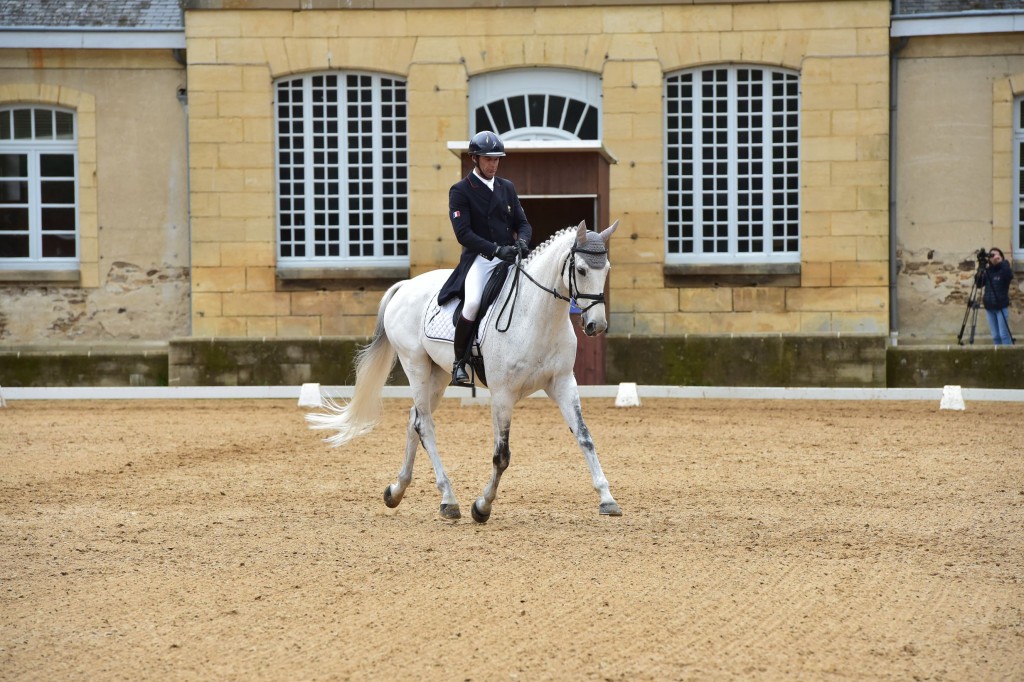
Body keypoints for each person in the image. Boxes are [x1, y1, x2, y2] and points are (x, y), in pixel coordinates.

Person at [437, 130, 532, 386]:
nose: (493, 164)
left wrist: (522, 241)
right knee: (472, 303)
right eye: (488, 159)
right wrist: (494, 250)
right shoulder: (460, 191)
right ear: (475, 159)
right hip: (480, 259)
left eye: (497, 159)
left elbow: (523, 223)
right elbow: (463, 234)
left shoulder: (506, 187)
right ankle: (460, 362)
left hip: (509, 257)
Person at [976, 247, 1015, 345]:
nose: (994, 257)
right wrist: (980, 269)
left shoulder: (1004, 268)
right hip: (989, 308)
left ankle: (1008, 356)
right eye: (992, 255)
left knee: (1003, 335)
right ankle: (997, 357)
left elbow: (1009, 276)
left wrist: (1001, 262)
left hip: (1001, 307)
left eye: (997, 254)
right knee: (995, 336)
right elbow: (979, 284)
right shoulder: (988, 270)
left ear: (1001, 256)